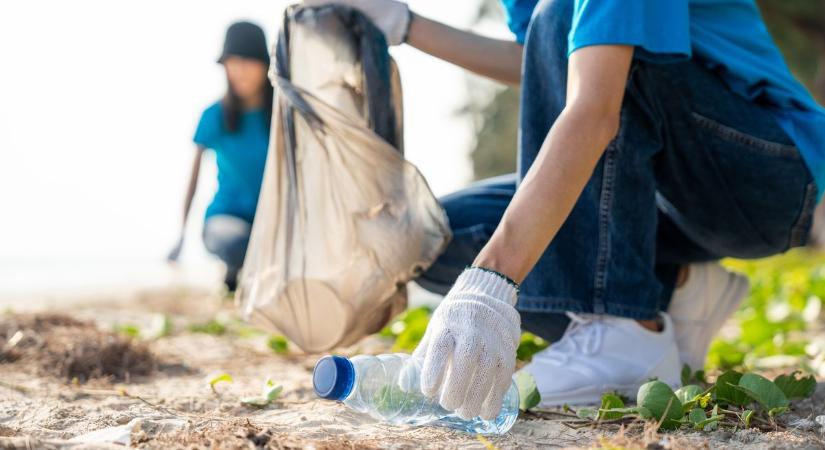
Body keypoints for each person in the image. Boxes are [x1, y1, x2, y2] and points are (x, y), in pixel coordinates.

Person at [303, 0, 825, 420]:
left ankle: (624, 325)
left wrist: (492, 279)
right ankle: (681, 288)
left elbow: (596, 104)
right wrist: (405, 23)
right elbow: (540, 59)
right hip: (661, 186)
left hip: (763, 179)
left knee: (575, 26)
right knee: (433, 238)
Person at [171, 21, 273, 292]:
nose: (240, 71)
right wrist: (181, 237)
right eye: (232, 62)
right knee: (235, 243)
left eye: (248, 62)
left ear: (265, 65)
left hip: (275, 218)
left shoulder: (284, 116)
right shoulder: (214, 116)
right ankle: (234, 271)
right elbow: (193, 179)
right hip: (228, 218)